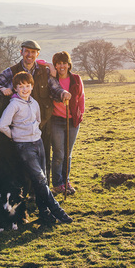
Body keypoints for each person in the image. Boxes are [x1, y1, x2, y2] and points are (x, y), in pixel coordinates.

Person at [0, 71, 73, 224]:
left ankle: (44, 214)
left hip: (38, 143)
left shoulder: (34, 103)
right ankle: (58, 211)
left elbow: (37, 120)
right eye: (20, 86)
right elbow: (2, 125)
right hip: (24, 147)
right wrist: (15, 136)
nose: (24, 89)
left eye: (27, 86)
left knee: (41, 180)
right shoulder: (14, 105)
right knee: (40, 179)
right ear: (16, 88)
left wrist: (34, 134)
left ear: (32, 86)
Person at [0, 40, 71, 182]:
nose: (29, 55)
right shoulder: (11, 71)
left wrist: (63, 93)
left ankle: (42, 189)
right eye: (27, 51)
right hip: (20, 127)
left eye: (33, 52)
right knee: (21, 159)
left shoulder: (45, 72)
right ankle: (25, 190)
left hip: (42, 124)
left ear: (37, 54)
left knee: (44, 157)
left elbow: (55, 88)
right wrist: (2, 89)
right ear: (21, 52)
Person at [49, 51, 85, 195]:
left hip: (73, 121)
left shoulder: (76, 79)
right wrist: (48, 65)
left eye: (64, 63)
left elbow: (81, 97)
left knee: (68, 154)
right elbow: (39, 62)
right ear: (55, 65)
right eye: (58, 63)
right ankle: (57, 184)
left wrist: (80, 114)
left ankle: (66, 181)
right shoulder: (52, 79)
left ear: (69, 64)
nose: (62, 66)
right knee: (58, 153)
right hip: (56, 120)